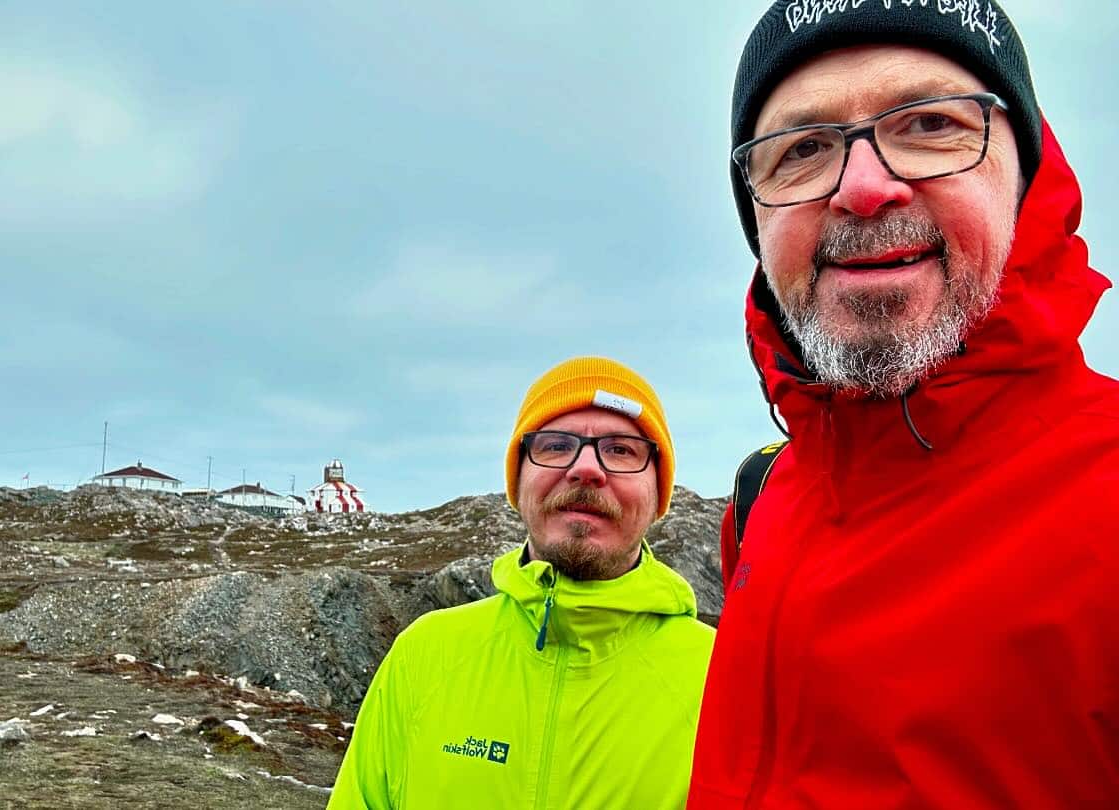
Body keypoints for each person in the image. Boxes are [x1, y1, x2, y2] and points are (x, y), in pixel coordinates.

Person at [691, 2, 1119, 807]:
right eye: (801, 150)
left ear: (1026, 174)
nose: (862, 188)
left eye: (928, 124)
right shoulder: (765, 499)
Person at [329, 357, 714, 809]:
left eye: (621, 450)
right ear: (518, 480)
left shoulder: (724, 680)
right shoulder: (422, 656)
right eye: (554, 445)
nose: (587, 468)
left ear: (658, 496)